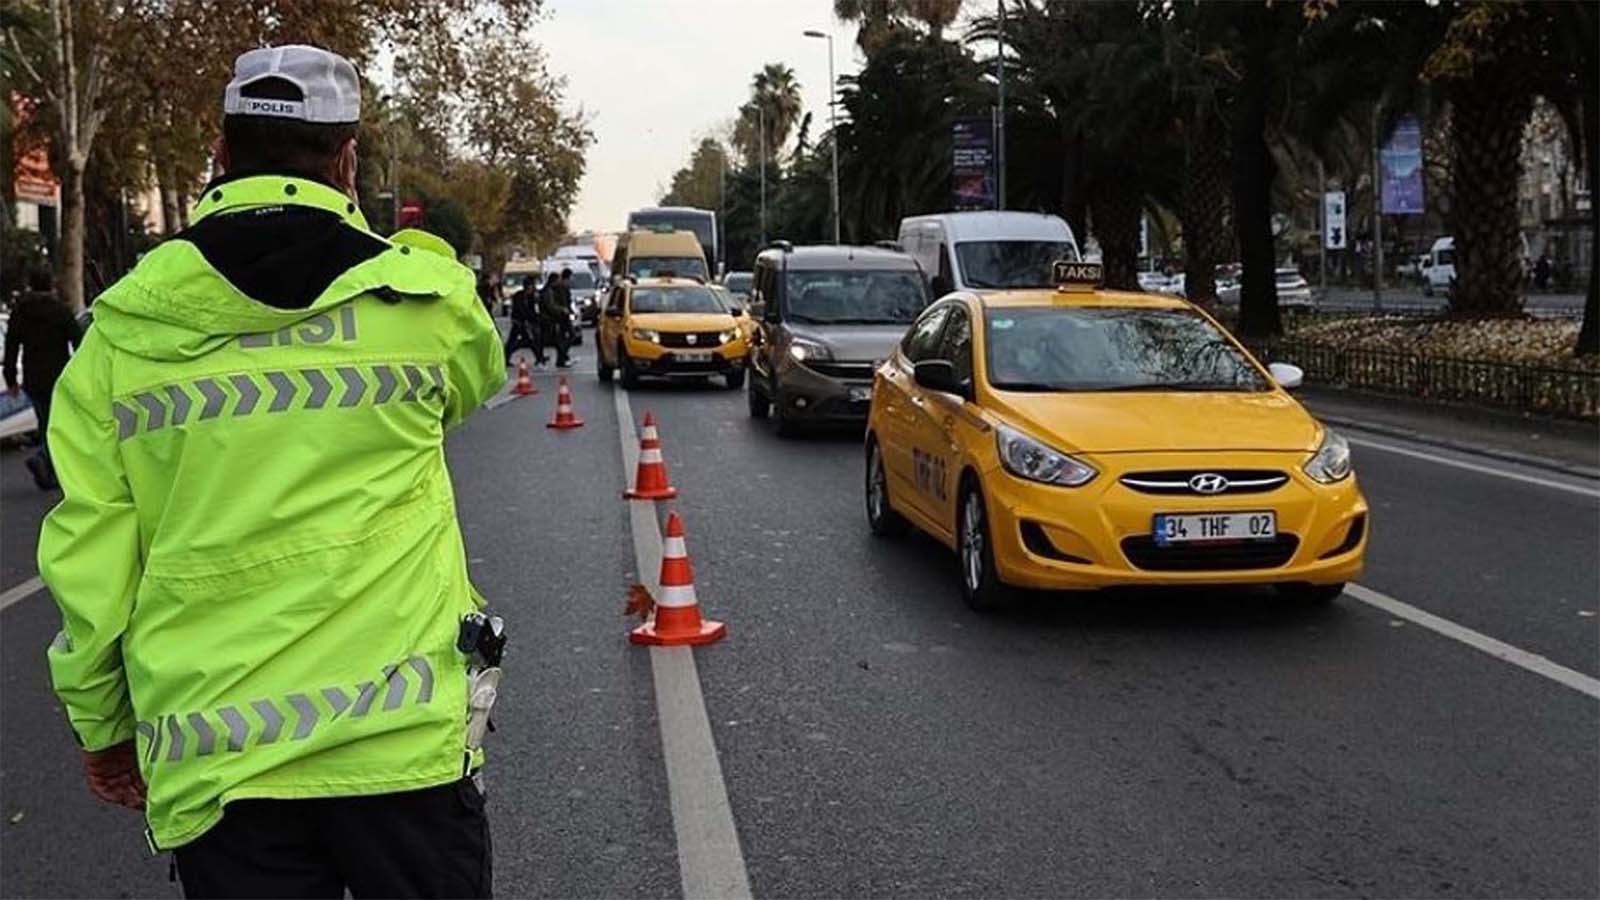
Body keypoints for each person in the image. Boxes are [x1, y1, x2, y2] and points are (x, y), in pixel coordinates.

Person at [37, 45, 504, 899]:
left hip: (221, 764)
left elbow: (91, 560)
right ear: (348, 158)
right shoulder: (423, 305)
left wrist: (102, 727)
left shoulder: (121, 330)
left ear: (219, 153)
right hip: (399, 754)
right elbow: (477, 380)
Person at [3, 266, 81, 490]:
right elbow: (78, 341)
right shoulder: (60, 311)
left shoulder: (20, 312)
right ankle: (44, 459)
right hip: (58, 375)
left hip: (32, 377)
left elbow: (11, 347)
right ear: (51, 285)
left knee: (45, 421)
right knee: (59, 423)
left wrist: (11, 379)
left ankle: (50, 467)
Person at [542, 268, 575, 368]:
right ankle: (562, 357)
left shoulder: (562, 288)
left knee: (562, 339)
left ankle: (562, 357)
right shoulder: (556, 289)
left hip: (563, 316)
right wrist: (563, 310)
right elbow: (553, 304)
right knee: (561, 338)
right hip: (559, 317)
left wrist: (570, 311)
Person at [504, 278, 542, 364]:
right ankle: (539, 358)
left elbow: (533, 309)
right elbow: (520, 310)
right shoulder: (519, 296)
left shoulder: (531, 296)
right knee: (522, 341)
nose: (532, 289)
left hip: (525, 321)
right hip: (519, 321)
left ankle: (539, 357)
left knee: (529, 341)